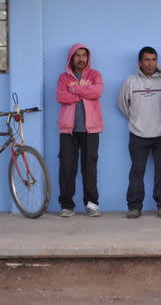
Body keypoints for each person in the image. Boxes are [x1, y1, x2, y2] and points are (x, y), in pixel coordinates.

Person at [118, 46, 161, 219]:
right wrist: (137, 120)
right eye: (147, 60)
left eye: (154, 59)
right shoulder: (130, 82)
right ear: (140, 62)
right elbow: (122, 105)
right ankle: (134, 206)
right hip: (138, 134)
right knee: (137, 171)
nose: (151, 63)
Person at [56, 43, 104, 218]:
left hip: (91, 130)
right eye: (77, 55)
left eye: (84, 55)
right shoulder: (63, 78)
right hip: (68, 131)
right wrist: (84, 91)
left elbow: (96, 91)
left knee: (89, 168)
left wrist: (75, 89)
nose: (81, 58)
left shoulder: (95, 75)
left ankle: (92, 204)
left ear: (88, 58)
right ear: (71, 58)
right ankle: (67, 205)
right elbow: (61, 96)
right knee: (67, 167)